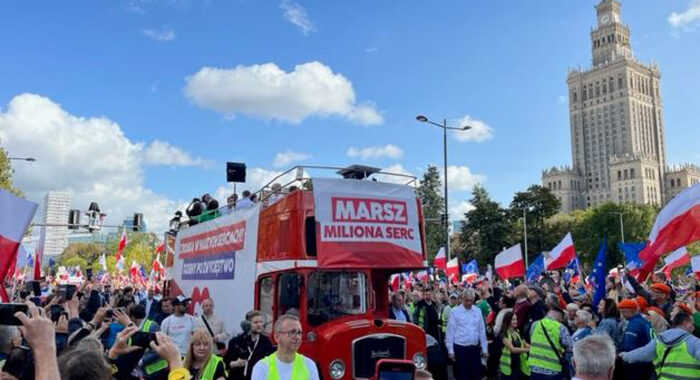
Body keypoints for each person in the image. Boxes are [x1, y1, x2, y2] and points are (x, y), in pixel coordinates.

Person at [620, 311, 700, 379]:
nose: (693, 328)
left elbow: (642, 353)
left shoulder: (659, 339)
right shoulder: (694, 342)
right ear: (686, 324)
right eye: (692, 324)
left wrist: (625, 356)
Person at [251, 314, 319, 380]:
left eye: (299, 333)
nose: (297, 337)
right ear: (277, 337)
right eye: (291, 332)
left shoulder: (309, 365)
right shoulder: (262, 367)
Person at [445, 289, 488, 380]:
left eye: (471, 300)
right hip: (460, 349)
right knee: (462, 376)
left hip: (474, 349)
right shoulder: (455, 312)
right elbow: (450, 332)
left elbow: (481, 330)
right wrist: (450, 351)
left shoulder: (477, 311)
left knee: (476, 375)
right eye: (467, 300)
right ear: (462, 299)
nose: (469, 303)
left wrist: (485, 348)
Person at [225, 310, 275, 380]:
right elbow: (226, 363)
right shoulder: (236, 341)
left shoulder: (266, 341)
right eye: (255, 322)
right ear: (247, 324)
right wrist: (235, 363)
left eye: (260, 322)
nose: (259, 325)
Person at [528, 307, 572, 380]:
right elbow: (570, 347)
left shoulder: (535, 324)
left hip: (534, 367)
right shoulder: (561, 327)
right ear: (560, 318)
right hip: (553, 369)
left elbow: (532, 339)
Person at [617, 298, 653, 378]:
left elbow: (629, 346)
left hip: (635, 363)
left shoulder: (634, 324)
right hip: (646, 361)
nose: (622, 315)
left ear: (632, 311)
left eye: (624, 312)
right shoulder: (644, 321)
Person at [499, 311, 530, 380]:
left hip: (518, 365)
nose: (516, 321)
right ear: (508, 320)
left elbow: (526, 344)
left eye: (516, 319)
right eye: (513, 319)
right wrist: (527, 350)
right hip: (508, 367)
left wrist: (534, 347)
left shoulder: (517, 332)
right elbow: (513, 349)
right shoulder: (504, 334)